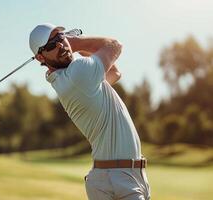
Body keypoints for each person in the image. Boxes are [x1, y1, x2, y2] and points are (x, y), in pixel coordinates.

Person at [29, 23, 151, 200]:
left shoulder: (70, 79)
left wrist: (69, 46)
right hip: (117, 179)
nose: (60, 45)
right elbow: (115, 45)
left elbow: (115, 73)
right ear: (40, 57)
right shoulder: (79, 74)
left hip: (118, 176)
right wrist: (75, 42)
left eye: (60, 37)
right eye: (51, 45)